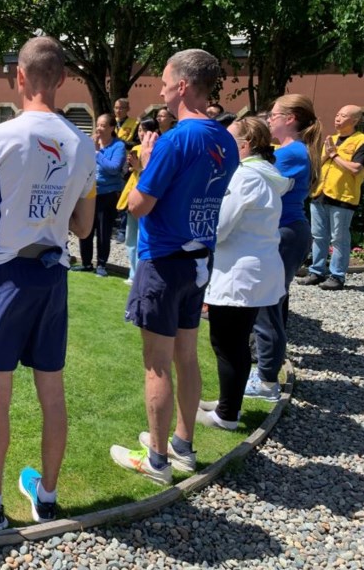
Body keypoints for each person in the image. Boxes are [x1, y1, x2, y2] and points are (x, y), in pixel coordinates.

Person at [0, 36, 96, 530]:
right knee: (51, 393)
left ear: (19, 76)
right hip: (53, 276)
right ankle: (48, 496)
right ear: (61, 79)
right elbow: (83, 227)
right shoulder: (83, 143)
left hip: (7, 276)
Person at [110, 48, 239, 485]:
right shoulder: (225, 138)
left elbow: (140, 206)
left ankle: (158, 460)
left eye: (165, 80)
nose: (161, 87)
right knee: (187, 356)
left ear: (182, 85)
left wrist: (145, 164)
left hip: (163, 263)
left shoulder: (174, 140)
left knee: (157, 364)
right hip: (199, 262)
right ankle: (182, 445)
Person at [196, 117, 290, 430]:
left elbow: (220, 227)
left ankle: (227, 415)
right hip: (253, 270)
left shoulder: (246, 176)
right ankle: (228, 402)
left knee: (227, 343)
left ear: (244, 145)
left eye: (229, 140)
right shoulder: (262, 175)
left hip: (240, 273)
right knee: (233, 342)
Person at [248, 94, 321, 402]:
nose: (269, 119)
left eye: (274, 114)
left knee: (268, 307)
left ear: (290, 119)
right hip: (287, 232)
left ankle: (266, 380)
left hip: (285, 233)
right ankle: (265, 369)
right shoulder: (292, 151)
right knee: (273, 304)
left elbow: (253, 179)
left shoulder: (291, 153)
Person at [297, 105, 364, 291]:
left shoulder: (361, 140)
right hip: (321, 193)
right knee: (318, 235)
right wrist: (325, 154)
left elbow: (356, 168)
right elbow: (320, 164)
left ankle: (337, 276)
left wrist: (334, 155)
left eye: (343, 115)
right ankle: (316, 271)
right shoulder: (332, 139)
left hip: (342, 196)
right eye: (337, 114)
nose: (337, 118)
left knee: (339, 238)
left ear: (354, 120)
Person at [72, 113, 124, 277]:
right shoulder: (89, 143)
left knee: (104, 231)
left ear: (111, 128)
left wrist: (96, 153)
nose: (99, 129)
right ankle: (86, 263)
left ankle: (101, 264)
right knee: (85, 227)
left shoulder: (118, 146)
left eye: (103, 125)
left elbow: (114, 168)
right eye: (98, 125)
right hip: (88, 192)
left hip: (106, 193)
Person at [116, 117, 156, 285]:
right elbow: (124, 173)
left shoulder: (157, 150)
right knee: (130, 238)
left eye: (145, 131)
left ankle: (141, 274)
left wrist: (140, 168)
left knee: (142, 238)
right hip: (130, 197)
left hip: (145, 200)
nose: (141, 134)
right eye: (139, 130)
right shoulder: (136, 148)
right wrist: (130, 166)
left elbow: (154, 176)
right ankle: (133, 273)